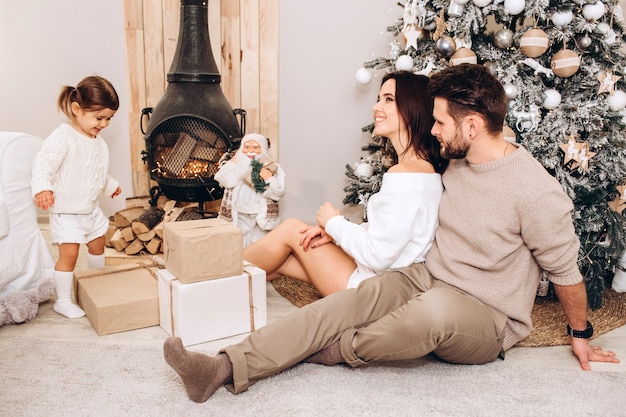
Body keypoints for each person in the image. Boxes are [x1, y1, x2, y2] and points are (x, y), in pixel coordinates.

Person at [163, 64, 619, 403]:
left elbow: (565, 271)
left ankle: (333, 350)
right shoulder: (456, 160)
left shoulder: (535, 191)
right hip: (426, 275)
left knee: (429, 314)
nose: (433, 130)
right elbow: (406, 220)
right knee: (346, 305)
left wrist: (581, 332)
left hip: (487, 315)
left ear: (473, 125)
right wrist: (341, 233)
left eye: (440, 122)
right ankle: (221, 367)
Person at [243, 71, 447, 295]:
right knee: (280, 260)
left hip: (368, 288)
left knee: (292, 229)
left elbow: (376, 255)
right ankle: (222, 286)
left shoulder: (404, 176)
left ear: (413, 107)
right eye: (378, 99)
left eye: (388, 99)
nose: (376, 107)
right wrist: (336, 235)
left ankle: (214, 276)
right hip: (384, 282)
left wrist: (333, 222)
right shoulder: (426, 173)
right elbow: (391, 236)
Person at [32, 75, 122, 319]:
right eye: (99, 118)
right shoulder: (64, 136)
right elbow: (44, 164)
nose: (104, 124)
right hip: (67, 211)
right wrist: (42, 187)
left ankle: (96, 282)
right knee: (69, 255)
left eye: (109, 119)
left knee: (97, 244)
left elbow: (98, 172)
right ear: (76, 109)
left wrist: (110, 185)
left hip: (90, 209)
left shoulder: (99, 142)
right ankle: (62, 300)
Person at [214, 133, 286, 248]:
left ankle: (258, 262)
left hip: (259, 213)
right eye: (246, 147)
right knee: (240, 241)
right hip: (239, 211)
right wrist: (231, 163)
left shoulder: (272, 167)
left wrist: (269, 178)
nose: (250, 151)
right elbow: (222, 179)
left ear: (262, 149)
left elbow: (278, 193)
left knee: (260, 242)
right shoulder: (237, 167)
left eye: (255, 147)